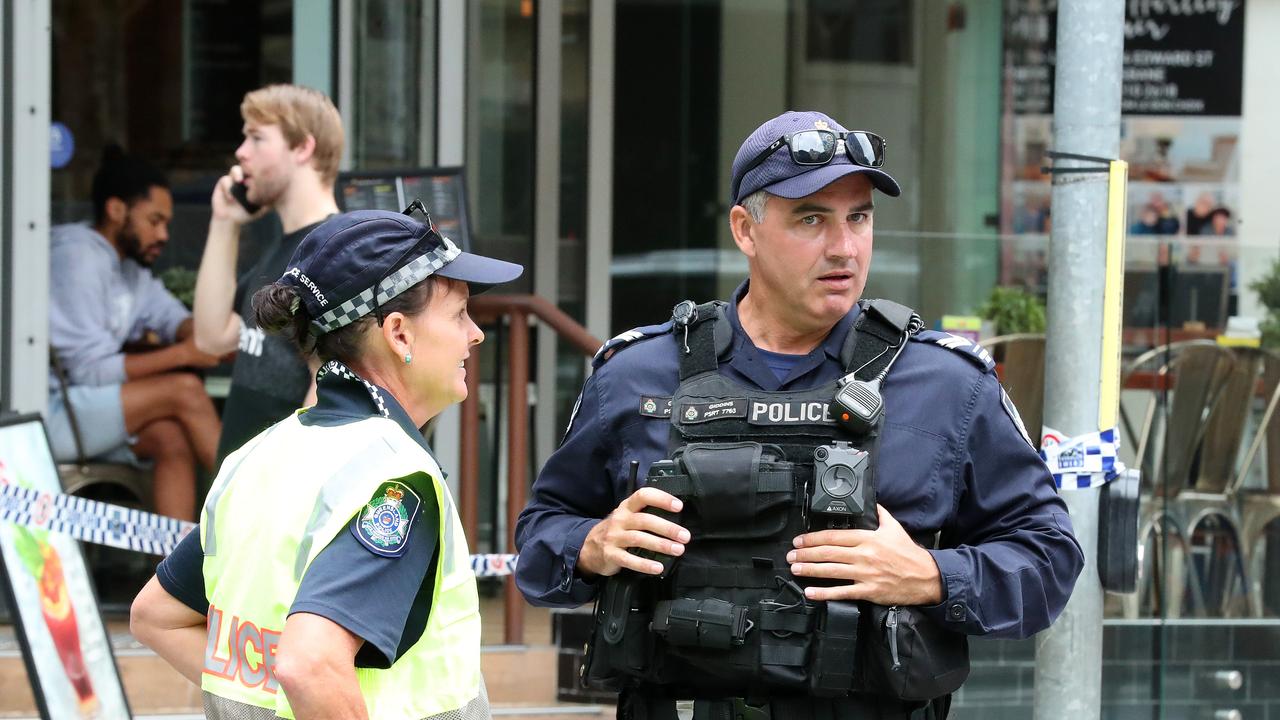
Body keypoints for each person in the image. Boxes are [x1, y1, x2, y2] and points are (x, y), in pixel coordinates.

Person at [515, 111, 1084, 719]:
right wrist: (592, 545)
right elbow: (540, 536)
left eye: (858, 217)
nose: (843, 246)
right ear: (746, 229)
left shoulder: (948, 386)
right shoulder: (635, 375)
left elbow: (1048, 558)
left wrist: (931, 576)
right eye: (811, 218)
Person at [130, 208, 523, 720]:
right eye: (457, 315)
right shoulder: (396, 479)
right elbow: (309, 664)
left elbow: (155, 617)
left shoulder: (254, 456)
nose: (476, 334)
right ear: (399, 334)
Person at [46, 145, 222, 521]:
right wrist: (185, 355)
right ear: (116, 210)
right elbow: (87, 372)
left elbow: (171, 316)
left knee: (170, 437)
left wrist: (206, 335)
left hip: (82, 410)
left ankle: (174, 574)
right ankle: (258, 513)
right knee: (184, 391)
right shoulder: (77, 259)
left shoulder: (129, 270)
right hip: (46, 413)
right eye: (154, 220)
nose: (163, 235)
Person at [192, 83, 345, 464]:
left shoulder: (331, 249)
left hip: (274, 498)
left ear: (302, 148)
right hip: (242, 490)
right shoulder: (284, 247)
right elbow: (212, 337)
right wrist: (225, 222)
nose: (241, 153)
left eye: (257, 138)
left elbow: (326, 384)